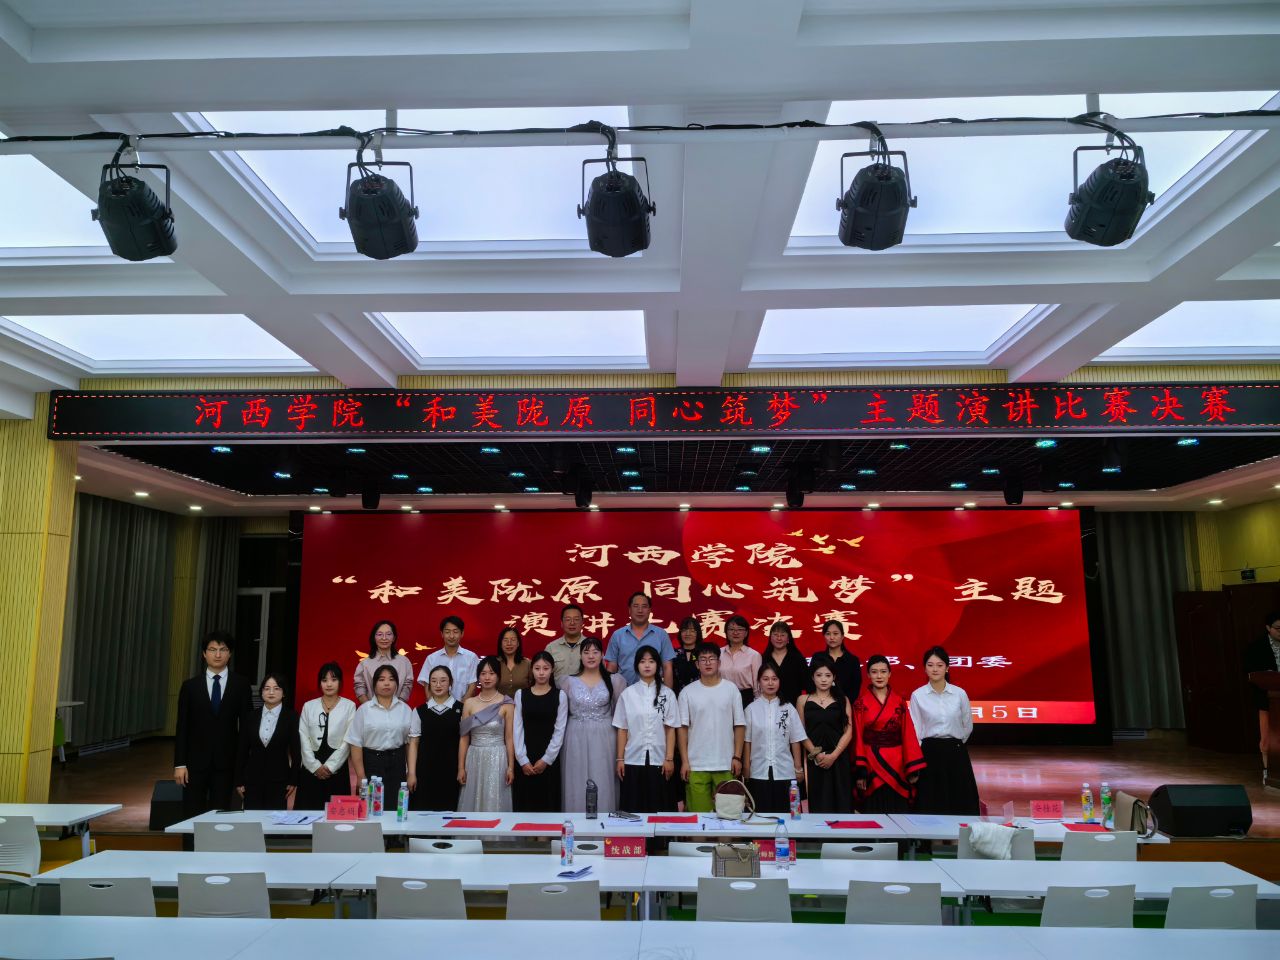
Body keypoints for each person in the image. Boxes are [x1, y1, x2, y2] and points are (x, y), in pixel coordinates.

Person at [174, 630, 253, 817]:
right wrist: (179, 764)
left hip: (226, 763)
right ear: (204, 654)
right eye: (212, 649)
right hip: (195, 764)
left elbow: (246, 728)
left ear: (229, 653)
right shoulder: (190, 686)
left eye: (223, 649)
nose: (218, 654)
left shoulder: (241, 685)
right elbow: (182, 727)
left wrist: (243, 766)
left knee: (221, 815)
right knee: (191, 814)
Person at [908, 646, 980, 815]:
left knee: (959, 799)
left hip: (956, 753)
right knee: (932, 800)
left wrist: (955, 743)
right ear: (925, 668)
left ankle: (958, 832)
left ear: (947, 668)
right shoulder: (918, 695)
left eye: (939, 665)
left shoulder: (959, 694)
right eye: (930, 665)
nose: (935, 669)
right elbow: (915, 728)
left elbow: (967, 726)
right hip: (929, 752)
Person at [676, 642, 746, 812]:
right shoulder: (687, 692)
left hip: (725, 764)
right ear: (697, 664)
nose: (708, 662)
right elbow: (682, 729)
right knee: (699, 818)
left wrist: (737, 757)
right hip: (696, 765)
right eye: (703, 659)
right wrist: (685, 761)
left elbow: (739, 725)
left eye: (712, 659)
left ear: (719, 663)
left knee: (729, 817)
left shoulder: (731, 689)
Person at [560, 637, 626, 812]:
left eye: (595, 652)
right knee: (576, 778)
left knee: (603, 778)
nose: (591, 656)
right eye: (586, 652)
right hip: (575, 735)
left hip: (605, 736)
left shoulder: (615, 681)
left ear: (602, 655)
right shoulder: (567, 682)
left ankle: (604, 823)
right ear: (580, 655)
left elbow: (620, 716)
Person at [853, 655, 926, 813]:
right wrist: (861, 770)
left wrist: (912, 766)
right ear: (868, 675)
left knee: (898, 808)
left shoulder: (899, 701)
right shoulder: (860, 704)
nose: (879, 676)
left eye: (883, 671)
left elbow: (908, 734)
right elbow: (857, 737)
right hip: (871, 761)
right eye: (874, 672)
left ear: (890, 674)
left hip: (897, 761)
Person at [613, 646, 677, 813]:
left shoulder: (668, 694)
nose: (647, 665)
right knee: (634, 808)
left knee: (659, 808)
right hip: (633, 759)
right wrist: (620, 759)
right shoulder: (628, 694)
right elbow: (622, 729)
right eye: (642, 661)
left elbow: (670, 729)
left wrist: (669, 758)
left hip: (660, 760)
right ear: (636, 666)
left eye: (651, 661)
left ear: (658, 665)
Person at [743, 661, 807, 813]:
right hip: (758, 771)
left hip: (784, 771)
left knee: (787, 815)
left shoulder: (788, 708)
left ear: (780, 681)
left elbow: (795, 740)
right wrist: (746, 767)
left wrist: (798, 768)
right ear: (759, 682)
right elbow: (747, 741)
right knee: (760, 815)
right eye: (765, 679)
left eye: (774, 679)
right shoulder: (751, 709)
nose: (770, 683)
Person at [345, 663, 420, 788]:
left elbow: (409, 743)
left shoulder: (405, 710)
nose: (387, 683)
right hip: (371, 764)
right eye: (381, 679)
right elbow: (355, 744)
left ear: (397, 684)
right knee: (372, 800)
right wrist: (360, 775)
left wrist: (411, 772)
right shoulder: (364, 710)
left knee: (396, 800)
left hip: (397, 764)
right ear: (374, 684)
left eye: (391, 679)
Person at [457, 656, 515, 812]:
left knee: (495, 800)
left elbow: (509, 738)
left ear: (498, 676)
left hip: (498, 757)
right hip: (474, 756)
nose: (487, 677)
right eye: (483, 673)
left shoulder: (506, 703)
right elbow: (464, 738)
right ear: (478, 677)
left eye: (491, 673)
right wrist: (461, 767)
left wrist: (511, 767)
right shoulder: (469, 703)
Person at [235, 672, 300, 810]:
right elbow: (242, 750)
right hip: (252, 780)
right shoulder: (250, 717)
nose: (271, 692)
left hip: (280, 780)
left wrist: (294, 780)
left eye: (276, 688)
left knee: (274, 820)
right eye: (267, 688)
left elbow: (296, 751)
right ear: (261, 692)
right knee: (252, 820)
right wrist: (239, 780)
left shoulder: (292, 717)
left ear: (284, 692)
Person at [297, 661, 356, 810]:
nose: (329, 684)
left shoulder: (349, 706)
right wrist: (314, 766)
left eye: (333, 679)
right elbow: (303, 737)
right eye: (324, 680)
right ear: (320, 683)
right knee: (307, 812)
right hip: (311, 767)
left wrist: (330, 766)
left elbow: (348, 740)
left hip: (337, 767)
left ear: (340, 682)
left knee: (336, 814)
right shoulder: (308, 706)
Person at [513, 651, 567, 812]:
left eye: (546, 668)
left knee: (548, 807)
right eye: (537, 668)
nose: (541, 673)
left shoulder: (560, 695)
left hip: (550, 760)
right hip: (525, 759)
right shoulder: (521, 694)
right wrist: (522, 759)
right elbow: (517, 728)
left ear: (552, 670)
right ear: (532, 670)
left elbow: (560, 730)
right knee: (525, 808)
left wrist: (547, 759)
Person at [796, 661, 853, 813]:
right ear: (812, 677)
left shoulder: (843, 699)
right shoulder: (803, 700)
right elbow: (800, 732)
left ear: (834, 677)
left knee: (841, 803)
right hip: (815, 760)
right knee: (818, 804)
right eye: (819, 675)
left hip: (838, 758)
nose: (823, 679)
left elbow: (849, 731)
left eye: (828, 675)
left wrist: (833, 755)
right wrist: (816, 754)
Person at [409, 665, 463, 811]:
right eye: (433, 681)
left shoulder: (461, 709)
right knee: (423, 813)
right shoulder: (419, 711)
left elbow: (464, 742)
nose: (438, 685)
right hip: (425, 770)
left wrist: (462, 768)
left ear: (451, 682)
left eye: (443, 680)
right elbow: (414, 743)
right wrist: (412, 773)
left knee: (450, 813)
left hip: (452, 770)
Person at [605, 592, 675, 688]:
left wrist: (668, 694)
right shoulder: (618, 635)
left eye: (644, 606)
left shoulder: (661, 635)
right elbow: (612, 667)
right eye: (636, 606)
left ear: (649, 610)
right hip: (624, 691)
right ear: (629, 610)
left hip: (654, 691)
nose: (640, 610)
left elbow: (667, 667)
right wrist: (610, 692)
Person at [1244, 611, 1280, 780]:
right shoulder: (1257, 647)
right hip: (1267, 700)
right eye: (1278, 628)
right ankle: (1268, 771)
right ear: (1268, 628)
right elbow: (1251, 672)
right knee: (1267, 737)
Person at [418, 615, 480, 703]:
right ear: (442, 634)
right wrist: (434, 706)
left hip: (463, 707)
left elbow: (472, 686)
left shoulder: (471, 657)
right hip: (437, 708)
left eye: (455, 632)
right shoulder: (432, 658)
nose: (451, 636)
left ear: (462, 633)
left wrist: (461, 707)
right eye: (447, 632)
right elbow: (427, 686)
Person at [353, 620, 414, 704]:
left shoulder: (404, 662)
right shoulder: (364, 664)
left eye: (388, 634)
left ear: (394, 638)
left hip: (398, 708)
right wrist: (368, 707)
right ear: (374, 638)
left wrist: (398, 706)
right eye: (379, 634)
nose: (384, 638)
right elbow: (360, 687)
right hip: (371, 709)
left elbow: (407, 686)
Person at [808, 619, 862, 701]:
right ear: (824, 636)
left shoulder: (852, 660)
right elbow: (810, 683)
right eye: (828, 634)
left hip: (844, 705)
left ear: (842, 636)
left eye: (835, 633)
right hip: (819, 704)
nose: (832, 637)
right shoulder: (818, 657)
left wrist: (843, 703)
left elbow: (855, 689)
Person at [762, 620, 809, 706]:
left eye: (782, 635)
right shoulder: (764, 658)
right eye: (775, 635)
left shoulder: (797, 658)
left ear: (788, 638)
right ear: (770, 638)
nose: (779, 638)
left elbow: (807, 684)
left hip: (793, 705)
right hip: (768, 705)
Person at [721, 614, 762, 708]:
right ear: (726, 632)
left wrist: (758, 703)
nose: (735, 632)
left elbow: (757, 683)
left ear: (746, 633)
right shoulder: (719, 653)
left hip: (746, 698)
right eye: (731, 629)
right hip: (722, 697)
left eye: (740, 629)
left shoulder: (754, 655)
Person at [545, 604, 590, 681]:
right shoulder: (551, 648)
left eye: (576, 619)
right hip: (558, 689)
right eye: (568, 619)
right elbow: (544, 675)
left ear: (582, 622)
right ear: (561, 623)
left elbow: (600, 674)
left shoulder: (592, 646)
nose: (572, 623)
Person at [495, 626, 531, 699]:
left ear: (518, 643)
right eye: (505, 640)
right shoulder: (494, 663)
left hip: (523, 704)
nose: (509, 643)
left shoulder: (527, 663)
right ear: (500, 644)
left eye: (513, 640)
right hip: (498, 704)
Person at [672, 617, 702, 695]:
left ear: (698, 633)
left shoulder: (703, 653)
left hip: (700, 696)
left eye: (692, 631)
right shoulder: (673, 654)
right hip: (677, 697)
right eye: (684, 630)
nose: (688, 634)